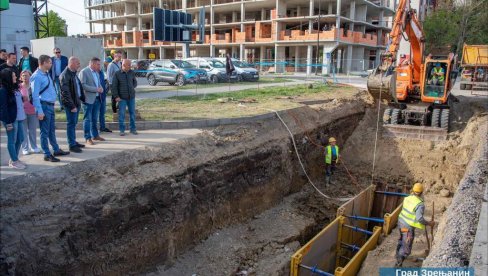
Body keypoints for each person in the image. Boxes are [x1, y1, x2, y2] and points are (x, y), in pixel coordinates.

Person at [31, 55, 70, 162]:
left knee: (51, 130)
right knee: (45, 131)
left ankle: (56, 149)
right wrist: (39, 111)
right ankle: (47, 154)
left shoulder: (46, 73)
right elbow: (35, 96)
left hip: (50, 105)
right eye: (49, 62)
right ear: (43, 63)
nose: (51, 64)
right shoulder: (36, 76)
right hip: (44, 106)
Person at [395, 183, 435, 267]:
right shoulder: (419, 204)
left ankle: (398, 255)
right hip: (407, 227)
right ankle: (398, 263)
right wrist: (429, 223)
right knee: (406, 245)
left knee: (402, 238)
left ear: (413, 190)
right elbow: (419, 218)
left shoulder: (407, 198)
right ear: (421, 192)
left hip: (401, 223)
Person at [0, 68, 26, 169]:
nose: (16, 77)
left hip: (18, 117)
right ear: (8, 77)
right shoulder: (3, 90)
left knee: (20, 138)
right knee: (12, 140)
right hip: (10, 119)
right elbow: (3, 108)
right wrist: (8, 122)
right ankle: (14, 161)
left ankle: (14, 158)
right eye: (13, 76)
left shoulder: (13, 87)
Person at [60, 57, 86, 153]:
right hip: (72, 105)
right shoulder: (65, 75)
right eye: (77, 63)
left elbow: (78, 87)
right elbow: (65, 93)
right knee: (71, 124)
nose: (79, 65)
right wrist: (72, 106)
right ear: (71, 63)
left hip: (77, 102)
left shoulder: (73, 74)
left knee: (73, 124)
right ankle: (71, 145)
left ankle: (73, 141)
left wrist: (82, 98)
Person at [79, 57, 106, 145]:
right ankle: (87, 137)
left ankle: (95, 135)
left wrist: (101, 88)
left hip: (97, 99)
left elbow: (98, 84)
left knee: (94, 119)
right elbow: (83, 86)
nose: (99, 66)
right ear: (92, 64)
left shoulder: (97, 73)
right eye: (98, 64)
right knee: (87, 119)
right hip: (88, 99)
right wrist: (96, 89)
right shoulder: (84, 72)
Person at [112, 59, 138, 136]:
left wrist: (131, 87)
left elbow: (135, 82)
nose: (130, 66)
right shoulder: (117, 74)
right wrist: (116, 96)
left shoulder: (131, 72)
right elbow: (114, 87)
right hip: (121, 98)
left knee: (132, 114)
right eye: (129, 65)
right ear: (123, 65)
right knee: (122, 115)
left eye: (130, 65)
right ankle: (122, 130)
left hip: (131, 97)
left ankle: (133, 129)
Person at [19, 70, 41, 155]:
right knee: (24, 131)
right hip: (22, 112)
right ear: (21, 77)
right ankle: (25, 148)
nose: (25, 77)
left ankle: (34, 147)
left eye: (27, 75)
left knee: (32, 130)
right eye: (23, 75)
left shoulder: (33, 86)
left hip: (32, 111)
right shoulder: (18, 87)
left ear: (30, 76)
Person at [98, 67, 111, 133]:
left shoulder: (102, 73)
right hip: (96, 97)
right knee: (94, 115)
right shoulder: (91, 73)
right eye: (98, 64)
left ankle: (102, 127)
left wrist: (105, 91)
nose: (99, 66)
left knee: (102, 113)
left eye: (99, 64)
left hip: (102, 96)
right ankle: (94, 130)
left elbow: (106, 82)